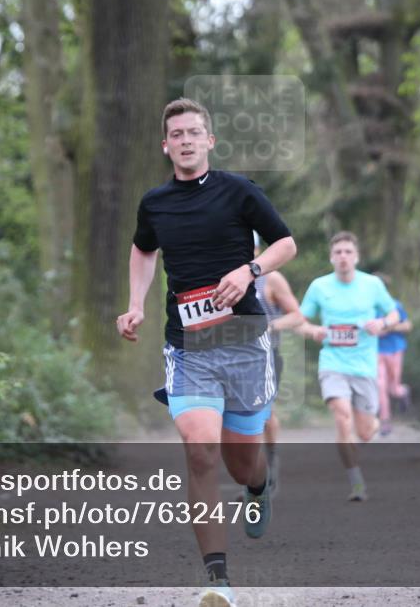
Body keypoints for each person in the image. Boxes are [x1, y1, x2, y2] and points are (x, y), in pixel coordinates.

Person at [116, 98, 297, 607]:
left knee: (243, 465)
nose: (187, 140)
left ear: (209, 141)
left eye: (195, 132)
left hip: (243, 344)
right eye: (177, 134)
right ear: (166, 145)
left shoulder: (239, 191)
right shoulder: (155, 203)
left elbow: (285, 243)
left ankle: (260, 486)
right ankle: (218, 581)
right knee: (199, 450)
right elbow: (143, 249)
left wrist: (250, 271)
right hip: (188, 346)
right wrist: (136, 304)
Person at [293, 231, 399, 502]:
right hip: (333, 363)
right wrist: (313, 330)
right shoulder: (319, 287)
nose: (343, 257)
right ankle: (356, 481)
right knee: (342, 416)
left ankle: (374, 423)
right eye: (338, 252)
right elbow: (299, 321)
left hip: (364, 367)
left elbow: (394, 313)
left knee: (365, 432)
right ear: (331, 257)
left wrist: (382, 324)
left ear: (356, 257)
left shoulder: (372, 284)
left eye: (348, 252)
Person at [252, 232, 303, 497]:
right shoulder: (222, 278)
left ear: (257, 248)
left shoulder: (270, 279)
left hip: (267, 356)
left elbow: (296, 315)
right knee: (237, 417)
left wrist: (270, 326)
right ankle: (252, 478)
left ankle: (271, 470)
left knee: (265, 414)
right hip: (231, 358)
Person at [377, 297, 413, 436]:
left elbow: (407, 325)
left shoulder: (395, 305)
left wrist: (389, 327)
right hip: (377, 350)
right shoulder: (367, 307)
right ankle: (385, 421)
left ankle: (403, 391)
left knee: (393, 388)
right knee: (381, 385)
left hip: (395, 349)